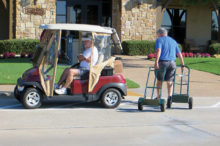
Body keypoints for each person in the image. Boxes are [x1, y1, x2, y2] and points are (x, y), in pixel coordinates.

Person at [154, 27, 184, 102]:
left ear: (160, 34)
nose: (157, 36)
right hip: (173, 63)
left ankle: (158, 97)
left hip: (163, 62)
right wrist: (182, 64)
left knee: (159, 80)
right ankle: (169, 97)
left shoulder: (159, 40)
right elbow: (179, 53)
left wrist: (156, 62)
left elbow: (159, 50)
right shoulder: (173, 41)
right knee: (170, 80)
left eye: (158, 34)